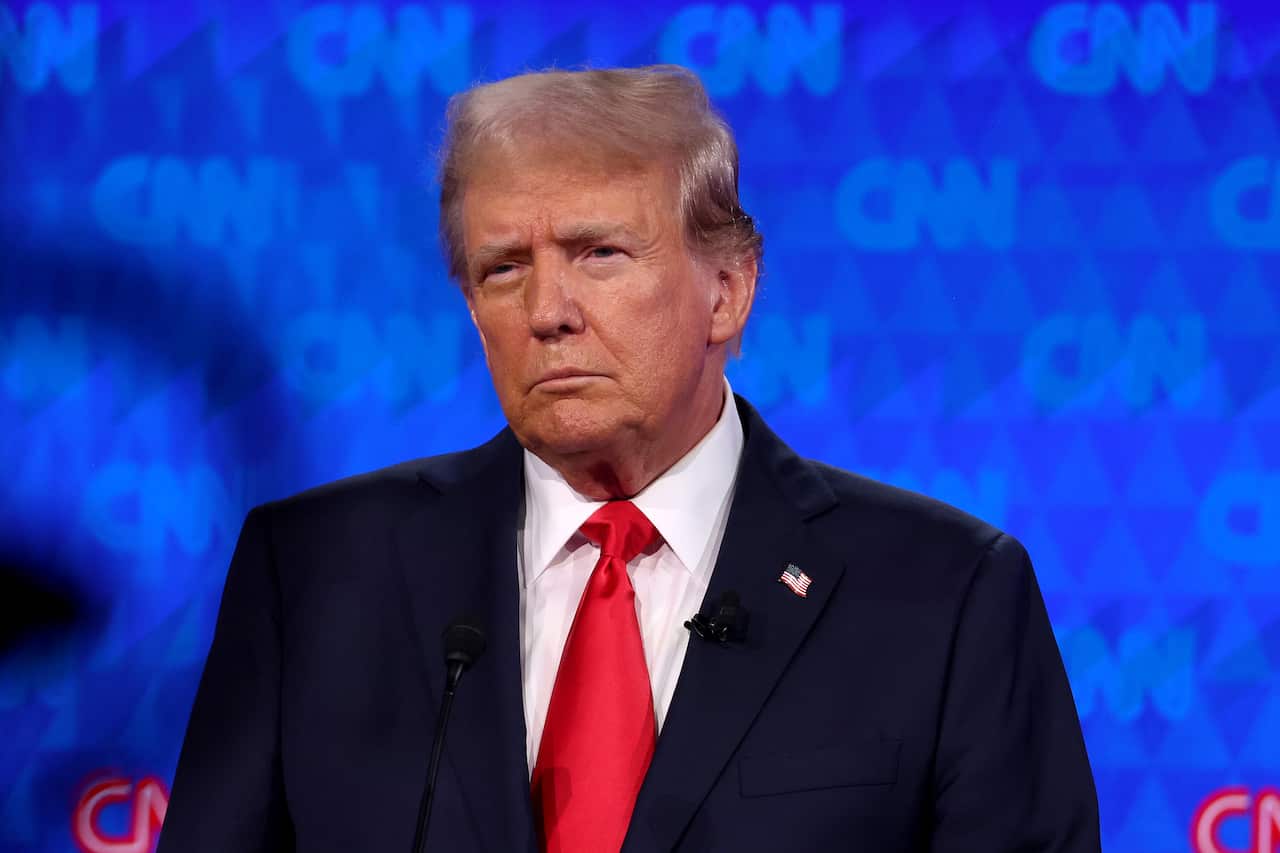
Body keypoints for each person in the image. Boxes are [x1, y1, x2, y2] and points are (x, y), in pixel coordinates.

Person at [156, 65, 1100, 853]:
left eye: (599, 253)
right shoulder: (314, 573)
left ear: (726, 291)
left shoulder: (947, 595)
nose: (547, 312)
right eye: (504, 268)